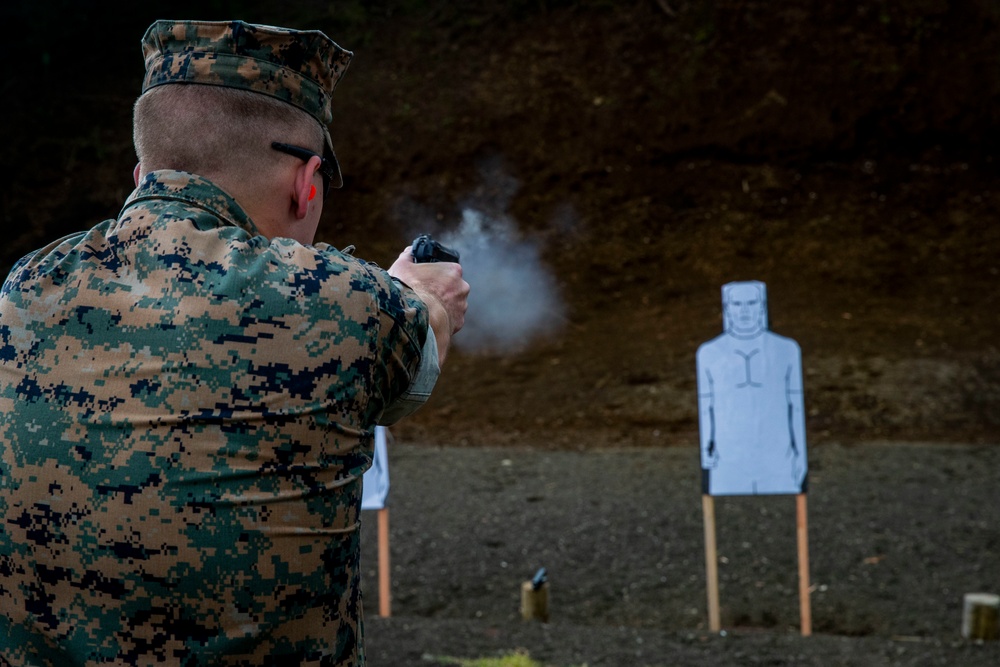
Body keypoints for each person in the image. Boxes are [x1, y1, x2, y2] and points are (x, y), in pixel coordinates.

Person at [0, 19, 468, 665]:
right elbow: (426, 320)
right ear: (307, 183)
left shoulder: (23, 291)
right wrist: (414, 291)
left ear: (141, 175)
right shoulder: (349, 308)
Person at [696, 280, 807, 495]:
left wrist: (800, 454)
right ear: (727, 308)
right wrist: (706, 449)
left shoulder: (785, 349)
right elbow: (706, 406)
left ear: (762, 306)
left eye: (751, 303)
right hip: (728, 457)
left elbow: (796, 406)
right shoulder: (710, 353)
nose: (745, 310)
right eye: (737, 304)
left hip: (778, 454)